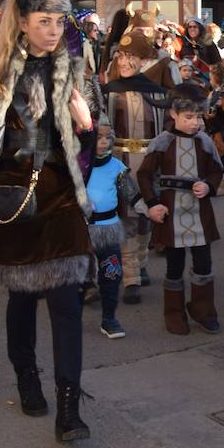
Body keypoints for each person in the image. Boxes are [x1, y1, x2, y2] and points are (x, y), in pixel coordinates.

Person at [0, 0, 98, 442]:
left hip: (60, 195)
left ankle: (69, 407)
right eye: (44, 21)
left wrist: (87, 126)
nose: (53, 31)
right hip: (12, 196)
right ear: (23, 23)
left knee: (67, 302)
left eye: (59, 22)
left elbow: (90, 145)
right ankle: (26, 377)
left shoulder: (74, 70)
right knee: (22, 296)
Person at [139, 83, 224, 335]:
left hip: (200, 212)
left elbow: (216, 170)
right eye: (188, 117)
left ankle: (203, 310)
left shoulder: (204, 141)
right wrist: (152, 204)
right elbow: (144, 174)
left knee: (204, 262)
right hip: (170, 212)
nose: (194, 122)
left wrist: (209, 185)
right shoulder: (162, 142)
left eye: (198, 116)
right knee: (174, 265)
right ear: (173, 114)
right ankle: (174, 313)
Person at [103, 29, 168, 304]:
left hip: (149, 163)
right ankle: (129, 276)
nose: (124, 61)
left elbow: (166, 129)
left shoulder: (158, 92)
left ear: (143, 60)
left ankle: (140, 264)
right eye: (121, 55)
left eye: (131, 56)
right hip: (120, 162)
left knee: (146, 217)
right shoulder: (109, 92)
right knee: (128, 216)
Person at [84, 121, 135, 340]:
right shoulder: (76, 166)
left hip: (109, 229)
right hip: (80, 231)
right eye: (98, 137)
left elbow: (131, 195)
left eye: (107, 137)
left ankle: (109, 319)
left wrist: (152, 207)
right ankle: (69, 320)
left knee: (111, 274)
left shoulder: (117, 167)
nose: (103, 142)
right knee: (76, 278)